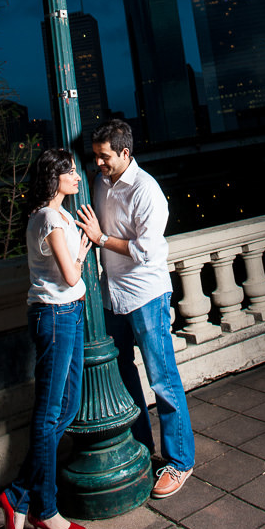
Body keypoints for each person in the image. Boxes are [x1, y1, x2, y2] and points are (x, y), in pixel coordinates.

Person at [76, 120, 195, 499]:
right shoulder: (99, 182)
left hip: (146, 295)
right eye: (95, 156)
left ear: (125, 153)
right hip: (113, 297)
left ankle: (180, 463)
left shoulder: (147, 192)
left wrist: (101, 239)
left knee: (162, 379)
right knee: (124, 378)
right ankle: (143, 450)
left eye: (104, 156)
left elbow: (145, 251)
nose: (98, 163)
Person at [0, 148, 92, 529]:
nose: (77, 177)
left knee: (66, 408)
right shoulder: (49, 217)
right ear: (54, 177)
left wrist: (81, 247)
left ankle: (17, 495)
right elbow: (69, 276)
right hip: (56, 316)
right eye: (70, 172)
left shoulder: (55, 216)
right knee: (51, 413)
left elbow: (66, 270)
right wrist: (84, 252)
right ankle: (43, 509)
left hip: (66, 313)